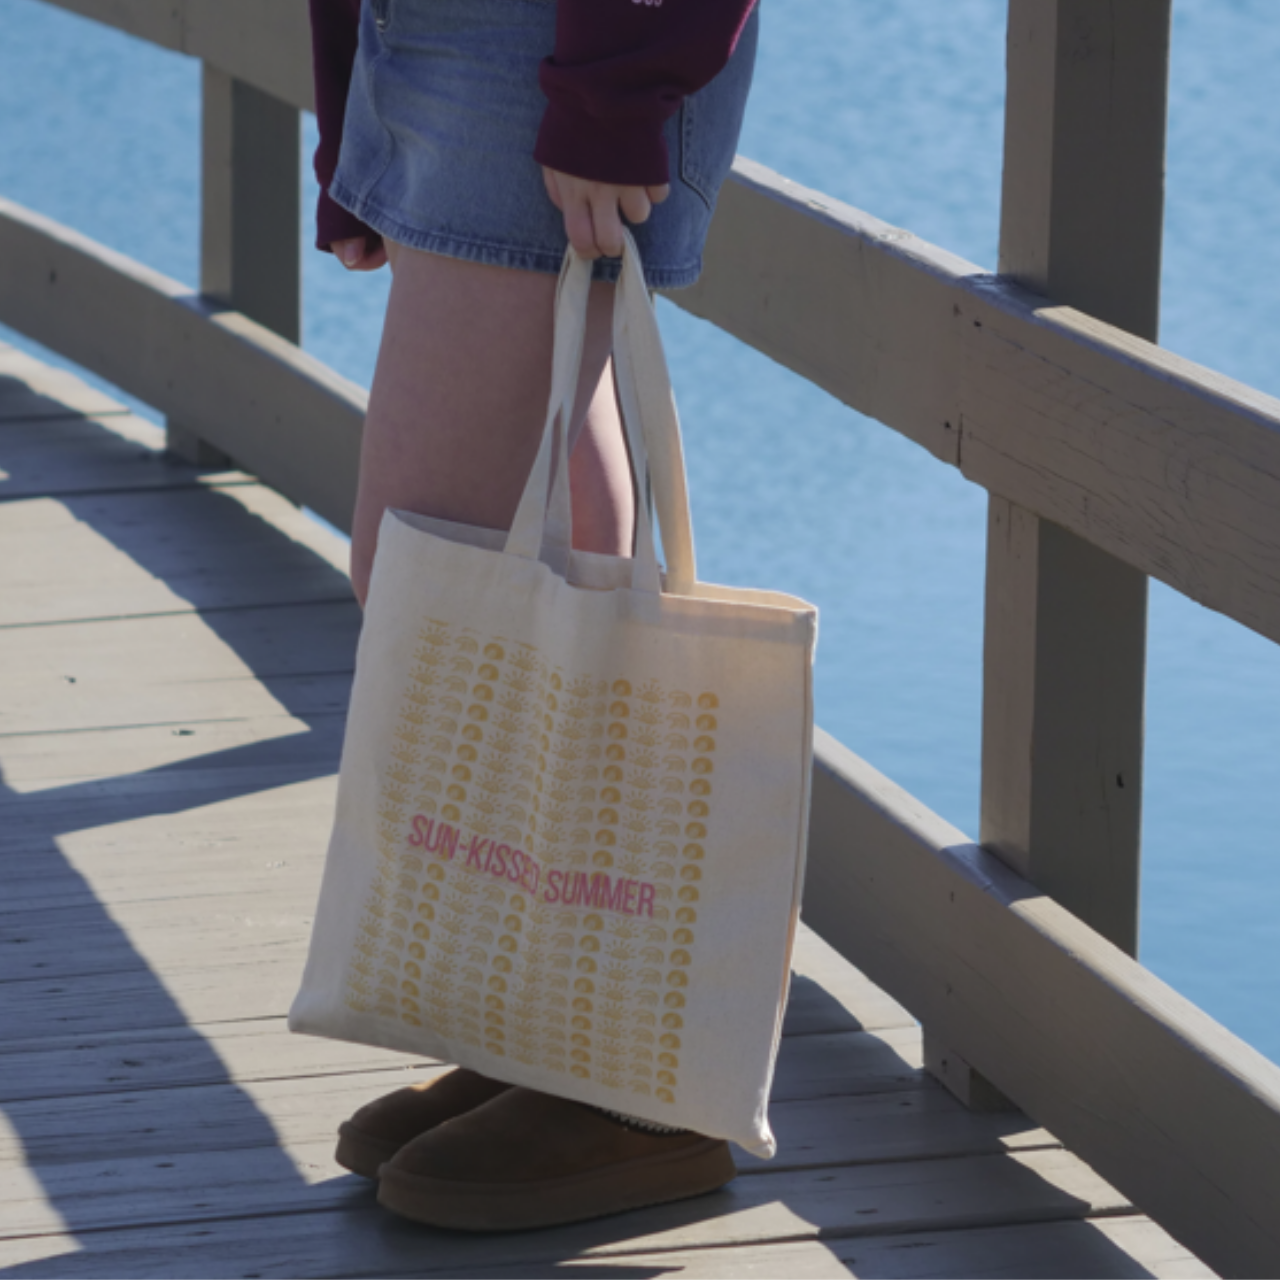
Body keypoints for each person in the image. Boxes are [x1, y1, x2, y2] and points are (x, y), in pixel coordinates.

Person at [308, 0, 759, 1231]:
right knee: (492, 562)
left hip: (550, 37)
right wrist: (353, 92)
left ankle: (629, 1077)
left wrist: (616, 84)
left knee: (436, 554)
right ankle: (562, 1029)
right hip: (452, 40)